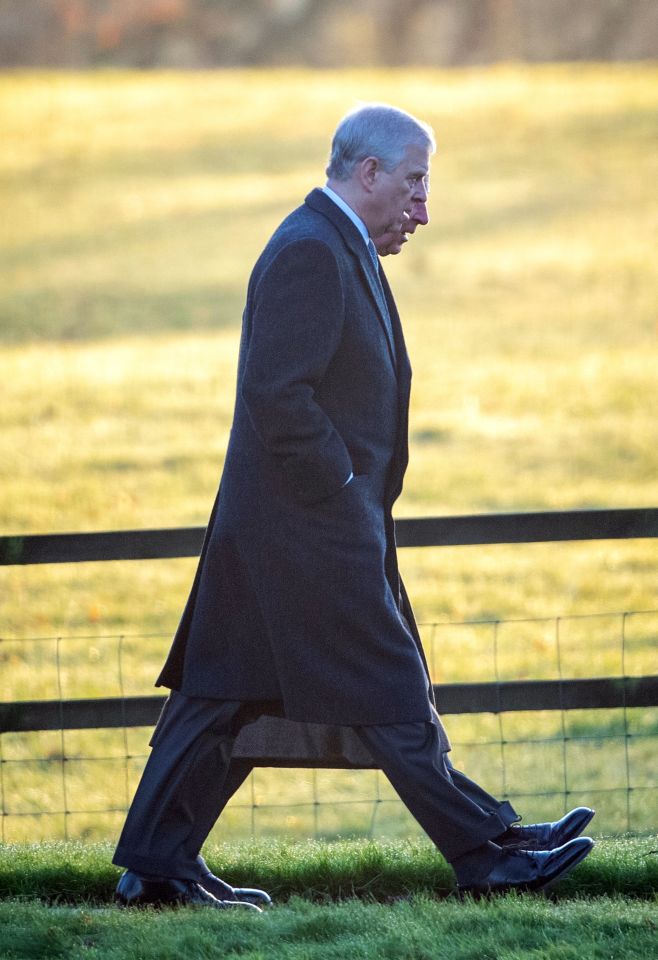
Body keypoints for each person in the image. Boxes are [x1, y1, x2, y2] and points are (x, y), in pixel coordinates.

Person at [113, 104, 594, 909]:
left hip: (291, 535)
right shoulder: (310, 251)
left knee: (221, 699)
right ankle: (487, 852)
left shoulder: (337, 244)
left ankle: (157, 869)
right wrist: (339, 493)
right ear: (366, 173)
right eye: (414, 184)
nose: (424, 209)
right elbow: (278, 394)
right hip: (308, 537)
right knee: (391, 689)